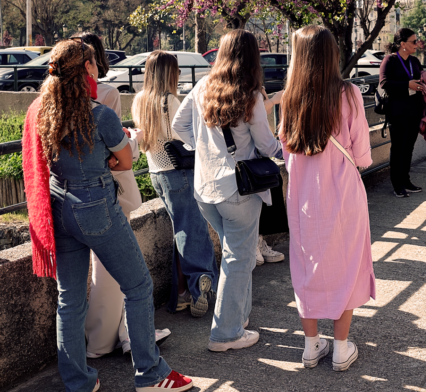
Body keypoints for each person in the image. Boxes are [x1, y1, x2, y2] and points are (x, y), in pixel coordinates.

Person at [22, 39, 192, 392]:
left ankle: (78, 381)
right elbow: (125, 162)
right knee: (138, 286)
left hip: (59, 205)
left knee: (70, 297)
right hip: (96, 206)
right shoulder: (100, 114)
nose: (98, 66)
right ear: (86, 69)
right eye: (93, 62)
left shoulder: (41, 111)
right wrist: (106, 157)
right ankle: (151, 374)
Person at [173, 29, 283, 352]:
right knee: (238, 257)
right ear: (252, 57)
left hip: (206, 189)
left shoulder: (201, 87)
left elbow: (179, 127)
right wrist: (283, 147)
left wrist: (207, 150)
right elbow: (266, 144)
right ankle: (225, 333)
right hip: (239, 190)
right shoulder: (250, 93)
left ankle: (239, 317)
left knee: (239, 253)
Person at [280, 25, 374, 372]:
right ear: (332, 54)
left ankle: (309, 346)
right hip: (344, 193)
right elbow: (362, 153)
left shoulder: (289, 97)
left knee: (306, 267)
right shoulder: (348, 94)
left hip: (303, 197)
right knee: (345, 265)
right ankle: (340, 347)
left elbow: (287, 153)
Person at [72, 32, 171, 358]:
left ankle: (103, 339)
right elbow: (118, 153)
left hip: (70, 195)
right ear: (94, 60)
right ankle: (126, 341)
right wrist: (132, 138)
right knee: (126, 274)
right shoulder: (106, 95)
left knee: (78, 283)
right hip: (108, 191)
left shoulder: (54, 99)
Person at [132, 51, 218, 318]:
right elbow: (181, 136)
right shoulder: (170, 100)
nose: (180, 73)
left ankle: (180, 295)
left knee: (180, 230)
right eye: (177, 69)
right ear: (170, 72)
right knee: (192, 231)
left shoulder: (139, 100)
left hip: (156, 173)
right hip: (178, 172)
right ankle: (200, 283)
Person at [379, 28, 426, 197]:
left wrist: (423, 86)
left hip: (414, 110)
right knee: (398, 148)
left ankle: (406, 181)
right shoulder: (390, 60)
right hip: (397, 111)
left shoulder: (414, 61)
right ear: (402, 44)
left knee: (409, 148)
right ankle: (397, 184)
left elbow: (421, 79)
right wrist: (407, 84)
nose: (417, 44)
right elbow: (384, 83)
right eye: (413, 41)